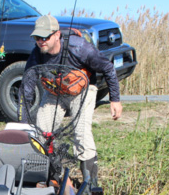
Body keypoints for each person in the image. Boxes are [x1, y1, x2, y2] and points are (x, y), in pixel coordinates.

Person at [19, 14, 122, 186]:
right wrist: (23, 123)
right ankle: (49, 175)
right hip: (54, 92)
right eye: (37, 37)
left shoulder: (80, 47)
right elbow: (27, 87)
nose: (41, 41)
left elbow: (108, 68)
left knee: (81, 133)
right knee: (41, 132)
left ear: (57, 34)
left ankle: (90, 183)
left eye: (45, 37)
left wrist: (115, 100)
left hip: (83, 90)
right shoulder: (37, 54)